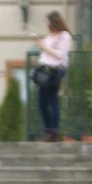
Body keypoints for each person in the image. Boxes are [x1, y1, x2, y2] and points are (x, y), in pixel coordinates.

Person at [34, 11, 73, 142]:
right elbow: (47, 52)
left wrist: (45, 47)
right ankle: (47, 130)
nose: (46, 24)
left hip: (55, 71)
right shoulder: (51, 35)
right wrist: (42, 45)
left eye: (48, 22)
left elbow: (61, 54)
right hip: (44, 70)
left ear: (54, 21)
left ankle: (53, 131)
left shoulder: (65, 36)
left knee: (52, 100)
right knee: (41, 102)